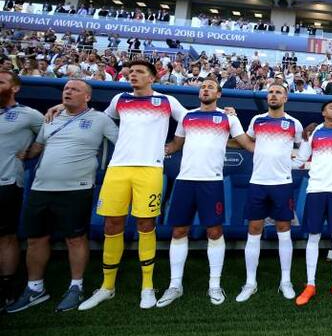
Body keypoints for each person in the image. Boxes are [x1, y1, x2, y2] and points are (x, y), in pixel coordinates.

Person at [73, 60, 188, 310]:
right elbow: (100, 120)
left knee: (146, 224)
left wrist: (174, 145)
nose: (133, 75)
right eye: (131, 71)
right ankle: (107, 287)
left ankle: (147, 286)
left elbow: (188, 119)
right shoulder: (119, 99)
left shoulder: (166, 101)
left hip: (150, 170)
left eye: (139, 72)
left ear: (152, 78)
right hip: (117, 168)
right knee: (112, 224)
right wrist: (63, 107)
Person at [6, 79, 118, 313]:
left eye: (75, 89)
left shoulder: (100, 119)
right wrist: (23, 153)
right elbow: (38, 146)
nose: (68, 91)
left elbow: (122, 142)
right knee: (36, 238)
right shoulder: (51, 118)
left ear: (87, 97)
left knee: (75, 238)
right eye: (66, 89)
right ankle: (35, 288)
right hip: (40, 187)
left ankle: (76, 286)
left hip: (77, 188)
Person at [155, 79, 249, 307]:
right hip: (185, 181)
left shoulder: (229, 117)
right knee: (179, 231)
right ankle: (175, 285)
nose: (205, 89)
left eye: (210, 87)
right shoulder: (187, 116)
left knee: (214, 232)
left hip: (211, 182)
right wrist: (152, 148)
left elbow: (246, 143)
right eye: (203, 87)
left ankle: (214, 284)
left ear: (219, 94)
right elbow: (175, 145)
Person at [236, 82, 303, 302]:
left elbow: (302, 147)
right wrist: (232, 121)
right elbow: (248, 142)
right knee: (254, 229)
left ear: (286, 98)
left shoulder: (294, 124)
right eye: (271, 92)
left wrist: (294, 163)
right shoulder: (257, 120)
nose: (273, 95)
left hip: (282, 184)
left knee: (284, 230)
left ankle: (286, 281)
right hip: (258, 182)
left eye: (278, 92)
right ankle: (250, 283)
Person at [291, 100, 332, 306]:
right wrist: (275, 163)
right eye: (331, 107)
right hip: (316, 190)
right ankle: (310, 285)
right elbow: (299, 160)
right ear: (323, 112)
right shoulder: (313, 133)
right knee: (314, 237)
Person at [0, 71, 44, 310]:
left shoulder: (29, 115)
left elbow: (52, 133)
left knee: (5, 236)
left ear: (14, 88)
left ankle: (7, 286)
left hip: (6, 182)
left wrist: (33, 150)